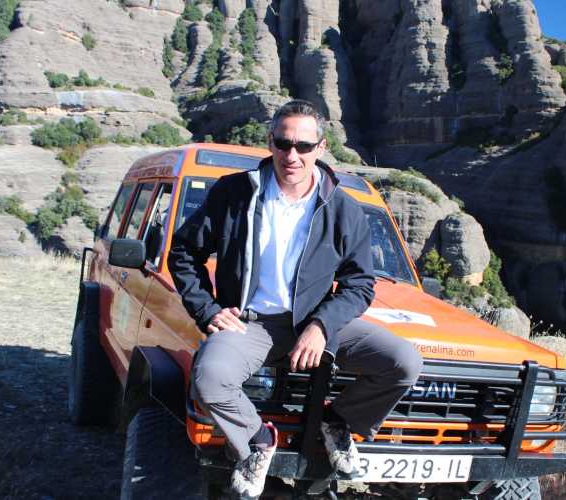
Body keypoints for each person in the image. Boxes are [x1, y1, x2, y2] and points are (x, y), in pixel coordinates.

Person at [167, 100, 422, 498]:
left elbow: (359, 283)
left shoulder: (343, 208)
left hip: (317, 322)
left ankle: (337, 422)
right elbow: (184, 252)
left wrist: (321, 325)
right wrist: (208, 310)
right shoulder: (234, 193)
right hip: (251, 324)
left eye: (304, 146)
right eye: (283, 143)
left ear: (321, 147)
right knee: (209, 378)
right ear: (270, 142)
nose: (292, 155)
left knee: (403, 361)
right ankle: (257, 442)